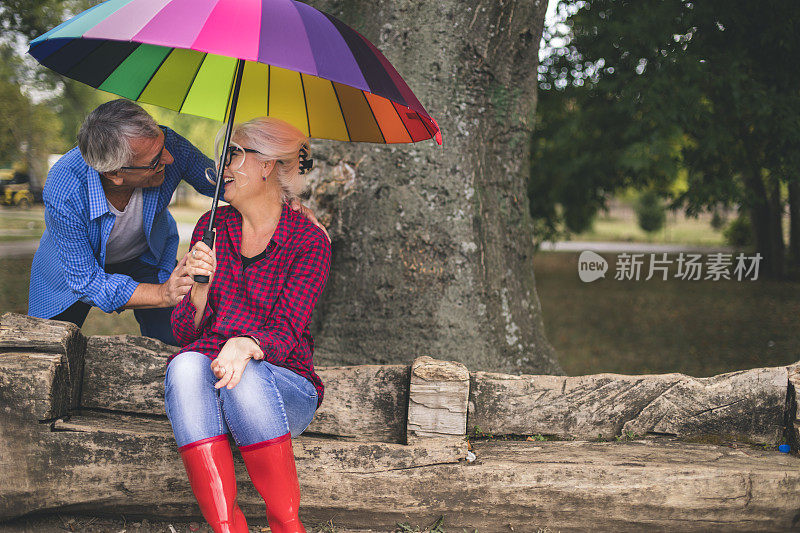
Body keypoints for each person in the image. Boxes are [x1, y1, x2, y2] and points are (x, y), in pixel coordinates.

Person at [28, 99, 327, 345]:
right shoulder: (64, 187)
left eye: (163, 143)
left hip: (144, 259)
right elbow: (87, 281)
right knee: (46, 352)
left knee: (176, 342)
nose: (170, 159)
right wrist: (161, 293)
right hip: (70, 274)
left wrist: (286, 200)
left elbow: (227, 182)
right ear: (115, 174)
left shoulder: (167, 146)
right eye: (156, 161)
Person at [165, 116, 330, 533]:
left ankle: (287, 526)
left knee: (248, 377)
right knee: (183, 366)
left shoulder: (309, 239)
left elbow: (288, 332)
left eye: (234, 154)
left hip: (282, 384)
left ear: (267, 165)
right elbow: (185, 333)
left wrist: (245, 344)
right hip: (214, 376)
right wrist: (198, 292)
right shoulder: (211, 227)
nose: (223, 166)